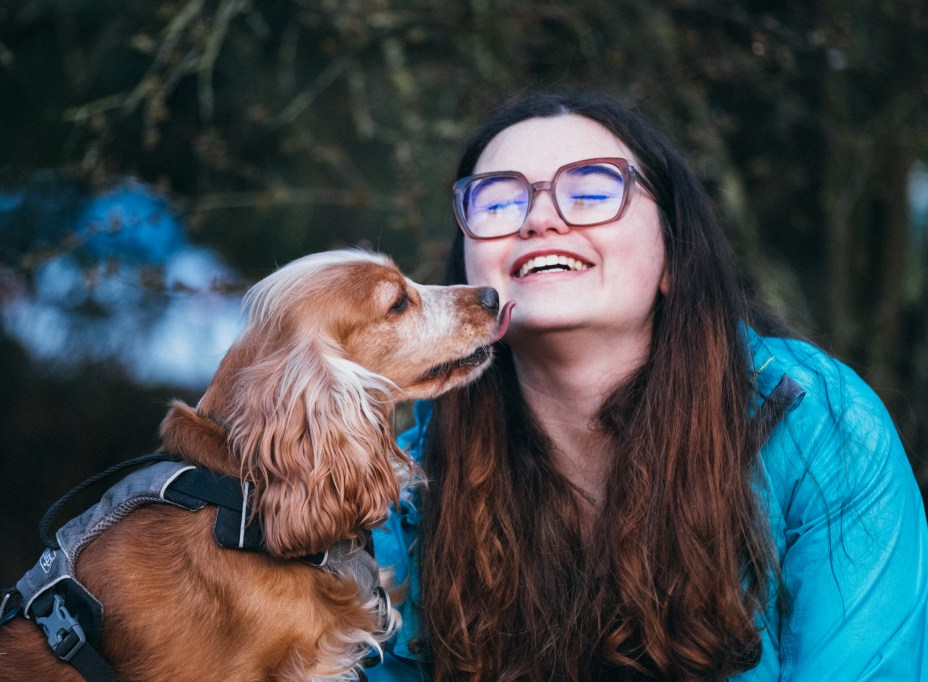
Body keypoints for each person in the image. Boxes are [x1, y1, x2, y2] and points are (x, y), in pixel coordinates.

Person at [368, 92, 928, 681]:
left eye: (590, 192)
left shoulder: (824, 429)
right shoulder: (408, 482)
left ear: (672, 257)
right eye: (499, 202)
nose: (538, 219)